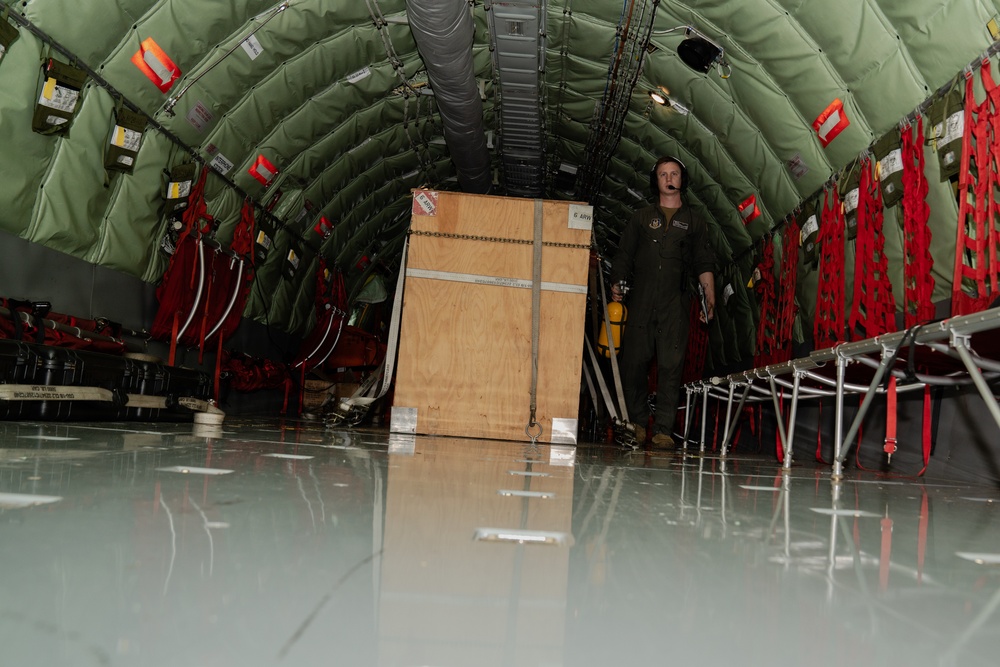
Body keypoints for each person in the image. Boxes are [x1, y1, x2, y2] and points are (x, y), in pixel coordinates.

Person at [610, 156, 716, 449]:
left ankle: (664, 430)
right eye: (662, 174)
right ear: (655, 181)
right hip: (642, 299)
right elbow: (623, 255)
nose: (669, 178)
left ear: (682, 180)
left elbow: (704, 261)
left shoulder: (694, 221)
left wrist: (710, 297)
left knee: (671, 365)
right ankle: (639, 423)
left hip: (676, 304)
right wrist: (617, 282)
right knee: (634, 363)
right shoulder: (641, 218)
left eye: (674, 174)